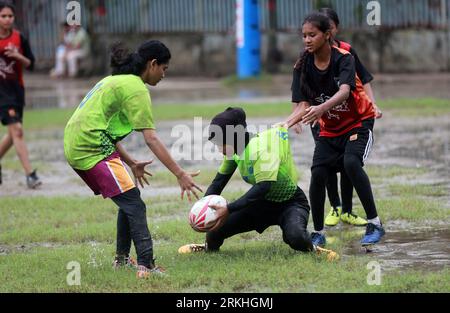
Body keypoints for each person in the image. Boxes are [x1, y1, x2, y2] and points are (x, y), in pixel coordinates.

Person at [63, 40, 203, 278]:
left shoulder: (113, 80)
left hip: (76, 142)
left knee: (128, 200)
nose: (164, 75)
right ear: (153, 64)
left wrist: (130, 162)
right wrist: (180, 174)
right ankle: (146, 265)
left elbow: (104, 127)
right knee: (135, 205)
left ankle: (121, 260)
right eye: (164, 69)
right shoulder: (136, 88)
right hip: (91, 146)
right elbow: (151, 139)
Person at [280, 12, 385, 248]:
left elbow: (345, 91)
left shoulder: (343, 58)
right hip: (331, 128)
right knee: (318, 172)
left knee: (350, 163)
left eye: (312, 35)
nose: (306, 40)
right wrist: (286, 123)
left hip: (359, 121)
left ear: (327, 35)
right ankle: (317, 232)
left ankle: (375, 223)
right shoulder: (302, 64)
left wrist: (321, 109)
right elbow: (303, 104)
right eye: (304, 35)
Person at [178, 107, 338, 261]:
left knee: (296, 237)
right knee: (215, 229)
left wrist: (229, 208)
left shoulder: (260, 149)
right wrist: (202, 210)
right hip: (261, 203)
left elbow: (263, 187)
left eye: (220, 143)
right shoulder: (235, 151)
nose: (219, 149)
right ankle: (207, 248)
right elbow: (219, 182)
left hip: (290, 203)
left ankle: (313, 248)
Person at [318, 7, 381, 227]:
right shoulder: (309, 57)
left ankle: (347, 210)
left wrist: (372, 104)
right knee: (324, 164)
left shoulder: (346, 52)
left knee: (348, 162)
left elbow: (362, 79)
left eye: (330, 26)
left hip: (346, 118)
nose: (327, 31)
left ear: (334, 28)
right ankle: (334, 207)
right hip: (322, 119)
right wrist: (298, 114)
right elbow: (301, 88)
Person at [0, 1, 41, 189]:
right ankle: (30, 174)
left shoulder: (19, 38)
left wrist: (18, 56)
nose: (7, 19)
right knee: (17, 130)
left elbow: (31, 64)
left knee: (12, 134)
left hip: (17, 90)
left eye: (10, 16)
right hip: (2, 94)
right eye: (3, 16)